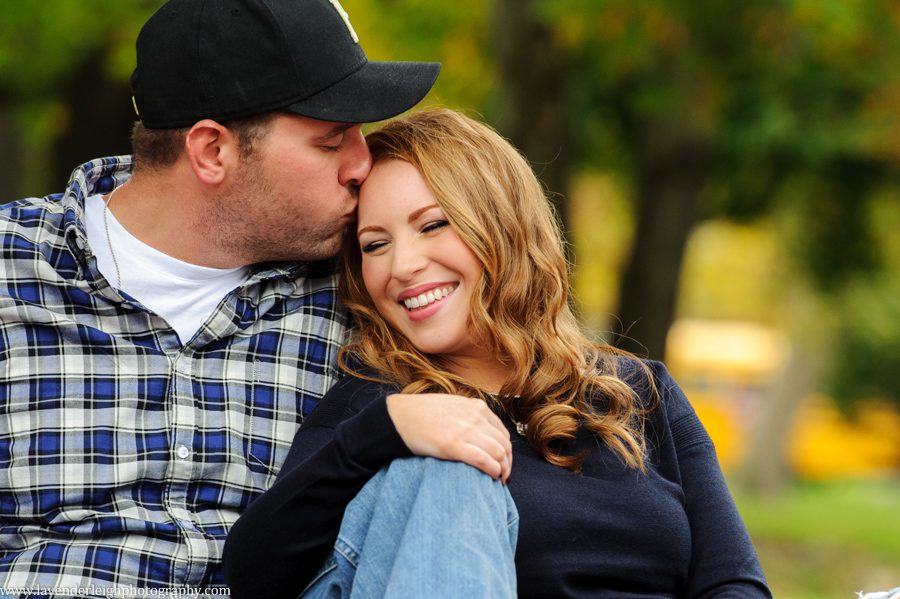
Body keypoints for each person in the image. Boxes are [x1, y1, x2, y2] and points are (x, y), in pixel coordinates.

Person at [222, 108, 772, 598]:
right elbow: (251, 576)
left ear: (503, 224)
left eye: (433, 225)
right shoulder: (374, 404)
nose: (402, 266)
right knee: (447, 473)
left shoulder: (638, 391)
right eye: (375, 245)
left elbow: (732, 581)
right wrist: (381, 433)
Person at [0, 0, 439, 596]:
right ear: (212, 151)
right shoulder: (14, 266)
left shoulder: (368, 279)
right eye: (332, 140)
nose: (363, 164)